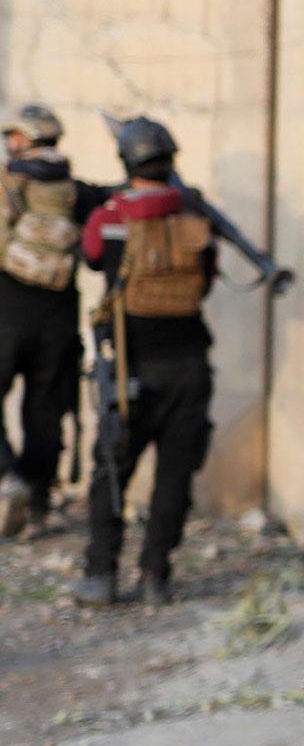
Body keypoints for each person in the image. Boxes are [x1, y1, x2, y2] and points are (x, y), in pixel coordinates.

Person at [75, 117, 216, 605]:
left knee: (111, 470)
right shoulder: (198, 218)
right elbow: (209, 278)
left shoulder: (109, 217)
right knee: (174, 476)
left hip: (131, 368)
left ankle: (100, 575)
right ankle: (155, 575)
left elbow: (92, 256)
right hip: (191, 365)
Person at [1, 103, 108, 539]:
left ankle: (9, 480)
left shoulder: (8, 183)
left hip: (6, 312)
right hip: (59, 319)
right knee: (45, 413)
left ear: (25, 139)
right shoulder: (77, 192)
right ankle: (39, 501)